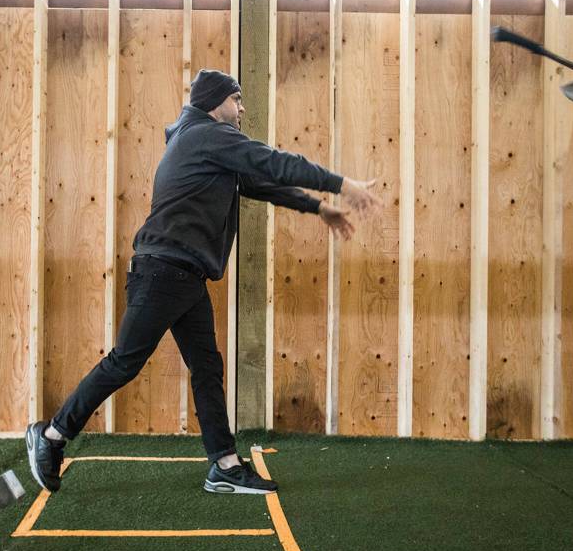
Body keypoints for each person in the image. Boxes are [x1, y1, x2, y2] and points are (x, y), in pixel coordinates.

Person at [27, 68, 380, 495]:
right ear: (215, 103)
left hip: (184, 276)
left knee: (207, 367)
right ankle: (50, 436)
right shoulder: (206, 136)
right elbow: (275, 162)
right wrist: (343, 185)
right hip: (162, 272)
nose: (242, 108)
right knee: (124, 362)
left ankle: (225, 466)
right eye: (236, 99)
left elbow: (259, 182)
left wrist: (318, 208)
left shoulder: (201, 142)